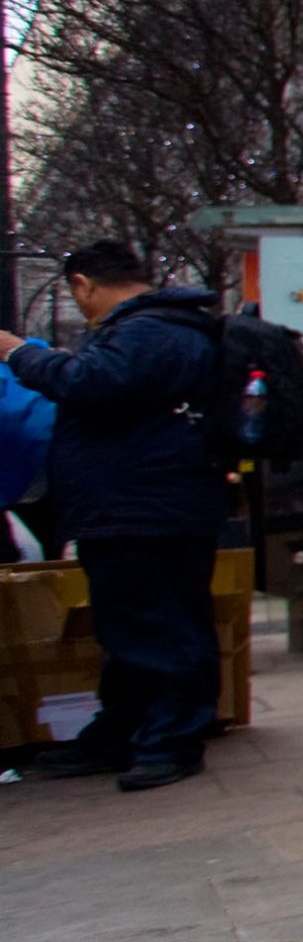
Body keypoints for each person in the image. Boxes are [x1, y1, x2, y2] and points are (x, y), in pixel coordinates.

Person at [0, 242, 230, 789]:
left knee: (160, 625)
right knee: (130, 626)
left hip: (146, 506)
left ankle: (170, 739)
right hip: (137, 504)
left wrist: (18, 353)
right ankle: (123, 732)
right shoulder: (158, 326)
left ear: (83, 284)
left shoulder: (149, 329)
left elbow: (90, 383)